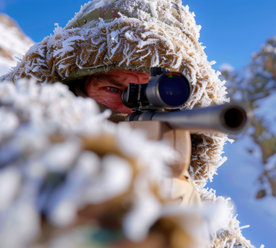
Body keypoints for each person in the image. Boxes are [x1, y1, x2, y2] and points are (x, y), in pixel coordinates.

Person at [1, 0, 229, 182]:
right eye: (112, 88)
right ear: (66, 92)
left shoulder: (211, 228)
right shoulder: (14, 171)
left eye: (159, 95)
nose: (131, 109)